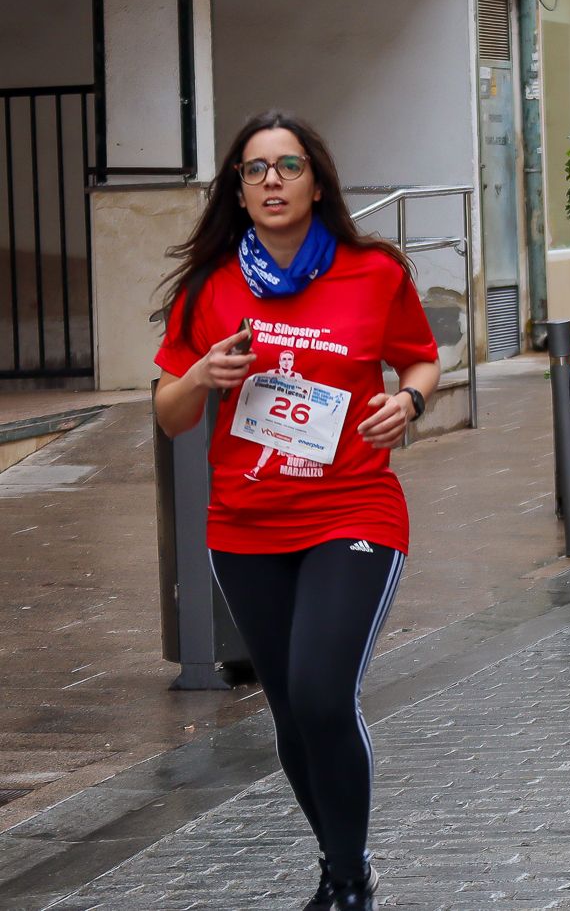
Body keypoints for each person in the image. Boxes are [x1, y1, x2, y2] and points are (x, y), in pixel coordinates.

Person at [152, 111, 441, 911]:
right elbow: (170, 412)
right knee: (289, 713)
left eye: (288, 165)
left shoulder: (373, 271)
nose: (272, 180)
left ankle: (347, 883)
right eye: (255, 170)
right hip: (246, 523)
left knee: (321, 692)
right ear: (238, 192)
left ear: (318, 181)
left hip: (353, 507)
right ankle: (345, 863)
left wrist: (407, 399)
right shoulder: (208, 288)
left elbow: (420, 353)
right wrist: (202, 374)